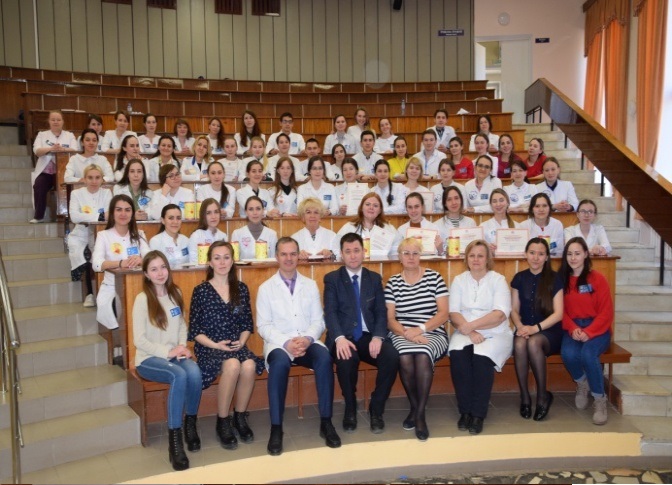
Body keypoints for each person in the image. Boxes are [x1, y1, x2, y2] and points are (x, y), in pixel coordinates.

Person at [256, 237, 341, 455]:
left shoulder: (310, 285)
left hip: (306, 340)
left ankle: (326, 422)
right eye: (284, 254)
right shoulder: (266, 288)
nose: (288, 258)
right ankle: (276, 428)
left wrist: (308, 339)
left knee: (324, 359)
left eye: (293, 253)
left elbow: (318, 321)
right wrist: (286, 343)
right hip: (279, 343)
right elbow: (263, 326)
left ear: (298, 256)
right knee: (279, 364)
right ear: (276, 257)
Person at [189, 241, 264, 450]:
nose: (222, 262)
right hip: (210, 346)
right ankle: (223, 421)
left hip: (235, 345)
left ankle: (239, 417)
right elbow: (195, 330)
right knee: (232, 365)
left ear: (232, 261)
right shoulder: (201, 291)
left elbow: (247, 324)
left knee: (249, 365)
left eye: (226, 257)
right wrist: (216, 345)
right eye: (217, 258)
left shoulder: (241, 288)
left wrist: (242, 341)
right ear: (210, 262)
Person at [133, 251, 201, 471]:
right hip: (149, 359)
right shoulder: (143, 299)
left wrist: (181, 347)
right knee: (179, 375)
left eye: (163, 267)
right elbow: (139, 340)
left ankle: (190, 425)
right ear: (146, 274)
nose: (160, 273)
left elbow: (182, 325)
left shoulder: (175, 293)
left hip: (174, 354)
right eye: (154, 269)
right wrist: (168, 351)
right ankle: (175, 442)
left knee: (194, 372)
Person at [324, 233, 399, 433]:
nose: (353, 255)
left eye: (356, 250)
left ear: (364, 252)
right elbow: (330, 312)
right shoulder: (332, 279)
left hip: (368, 336)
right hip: (344, 336)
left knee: (391, 356)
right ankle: (350, 406)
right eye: (348, 251)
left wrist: (378, 336)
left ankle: (377, 407)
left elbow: (381, 311)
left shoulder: (373, 278)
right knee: (346, 358)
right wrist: (339, 338)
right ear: (341, 254)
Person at [385, 238, 449, 441]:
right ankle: (416, 407)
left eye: (415, 253)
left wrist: (420, 329)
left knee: (422, 355)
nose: (411, 257)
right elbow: (390, 319)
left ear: (420, 256)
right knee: (404, 357)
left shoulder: (434, 277)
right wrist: (408, 333)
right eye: (406, 253)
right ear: (399, 257)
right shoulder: (393, 282)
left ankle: (419, 415)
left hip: (432, 332)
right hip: (402, 332)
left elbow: (443, 314)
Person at [449, 240, 512, 435]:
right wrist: (470, 331)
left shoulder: (498, 280)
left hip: (495, 332)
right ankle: (465, 411)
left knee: (481, 359)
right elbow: (454, 313)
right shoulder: (459, 280)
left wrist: (472, 326)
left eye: (480, 256)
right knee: (459, 357)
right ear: (466, 258)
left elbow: (499, 315)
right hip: (465, 331)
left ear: (487, 259)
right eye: (472, 255)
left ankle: (478, 414)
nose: (476, 259)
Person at [560, 237, 614, 425]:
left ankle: (599, 400)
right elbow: (560, 311)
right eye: (569, 254)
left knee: (588, 354)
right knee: (568, 353)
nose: (573, 258)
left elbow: (606, 312)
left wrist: (589, 332)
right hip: (573, 327)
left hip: (598, 328)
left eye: (577, 253)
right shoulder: (562, 280)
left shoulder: (597, 278)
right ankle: (582, 383)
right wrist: (573, 328)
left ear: (585, 254)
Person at [510, 237, 564, 423]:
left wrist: (535, 328)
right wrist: (520, 327)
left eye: (541, 254)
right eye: (532, 253)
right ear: (526, 254)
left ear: (547, 257)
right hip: (524, 328)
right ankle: (525, 397)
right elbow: (514, 310)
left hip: (550, 332)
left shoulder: (555, 278)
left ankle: (542, 396)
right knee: (519, 344)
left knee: (533, 342)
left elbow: (559, 314)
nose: (536, 257)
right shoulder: (519, 278)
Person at [92, 194, 150, 330]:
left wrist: (142, 260)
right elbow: (96, 264)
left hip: (138, 285)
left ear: (132, 213)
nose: (123, 214)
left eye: (127, 210)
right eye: (119, 210)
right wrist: (120, 263)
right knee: (118, 311)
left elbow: (151, 258)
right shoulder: (103, 235)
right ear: (112, 213)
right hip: (112, 288)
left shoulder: (140, 234)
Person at [67, 164, 113, 308]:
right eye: (90, 178)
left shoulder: (107, 193)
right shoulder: (76, 194)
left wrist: (87, 217)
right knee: (85, 256)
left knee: (101, 255)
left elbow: (109, 215)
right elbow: (74, 217)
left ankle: (104, 294)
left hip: (101, 233)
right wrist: (99, 216)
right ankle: (89, 294)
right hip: (80, 235)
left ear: (102, 179)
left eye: (97, 178)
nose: (94, 181)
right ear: (84, 179)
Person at [31, 109, 77, 223]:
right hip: (45, 172)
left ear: (63, 121)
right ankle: (39, 216)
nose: (56, 122)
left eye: (58, 120)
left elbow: (75, 150)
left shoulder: (69, 135)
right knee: (39, 185)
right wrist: (51, 149)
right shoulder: (42, 135)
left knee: (67, 187)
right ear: (49, 121)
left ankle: (66, 216)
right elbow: (37, 151)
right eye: (53, 120)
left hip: (63, 171)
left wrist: (62, 149)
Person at [335, 193, 403, 257]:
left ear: (380, 210)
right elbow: (336, 248)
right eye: (367, 204)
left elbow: (397, 251)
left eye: (375, 205)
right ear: (361, 208)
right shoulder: (349, 227)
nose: (371, 208)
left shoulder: (389, 229)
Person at [434, 186, 477, 254]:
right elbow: (436, 254)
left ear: (461, 200)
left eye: (456, 198)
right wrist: (441, 250)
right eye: (449, 199)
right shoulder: (436, 225)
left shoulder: (471, 222)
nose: (454, 202)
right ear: (445, 203)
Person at [188, 198, 228, 265]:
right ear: (203, 215)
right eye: (208, 213)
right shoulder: (196, 236)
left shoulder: (223, 236)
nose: (213, 216)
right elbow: (193, 263)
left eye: (216, 212)